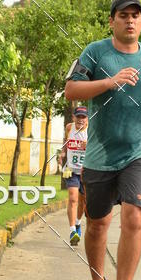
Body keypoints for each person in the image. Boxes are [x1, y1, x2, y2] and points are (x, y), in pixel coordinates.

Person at [64, 0, 141, 280]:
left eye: (135, 16)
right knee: (97, 225)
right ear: (112, 21)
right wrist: (110, 82)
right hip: (100, 154)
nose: (130, 20)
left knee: (134, 219)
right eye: (123, 15)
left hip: (140, 152)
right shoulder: (95, 52)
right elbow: (71, 90)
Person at [58, 105, 88, 245]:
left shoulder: (91, 130)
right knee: (73, 198)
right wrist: (63, 152)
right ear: (73, 117)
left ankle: (77, 223)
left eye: (83, 117)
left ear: (87, 119)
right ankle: (72, 231)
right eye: (78, 116)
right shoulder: (69, 127)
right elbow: (66, 141)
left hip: (86, 172)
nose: (80, 120)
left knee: (82, 202)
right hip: (71, 170)